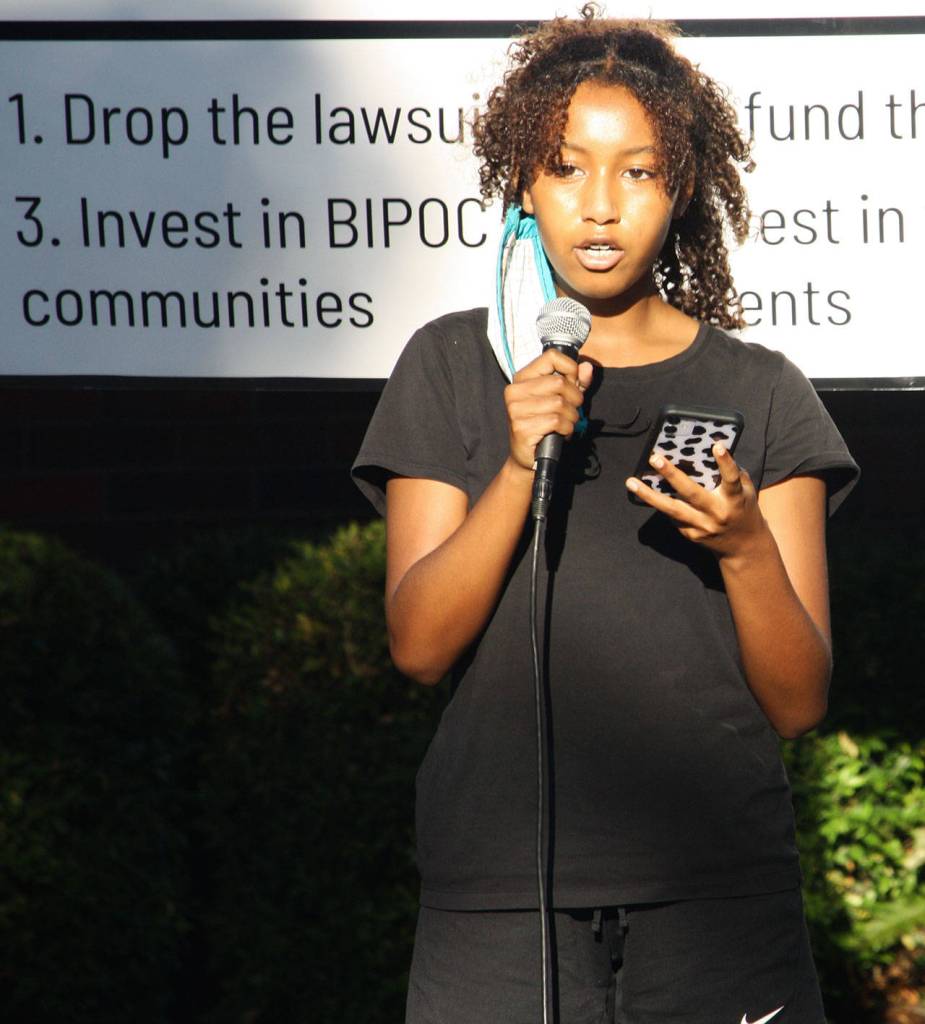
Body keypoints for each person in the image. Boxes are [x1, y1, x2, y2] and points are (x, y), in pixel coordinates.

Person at [352, 9, 858, 1023]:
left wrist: (745, 544)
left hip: (717, 895)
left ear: (682, 189)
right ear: (521, 187)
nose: (598, 205)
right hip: (500, 896)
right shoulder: (451, 365)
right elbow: (416, 642)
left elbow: (800, 701)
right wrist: (514, 463)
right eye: (565, 166)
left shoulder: (762, 390)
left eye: (637, 172)